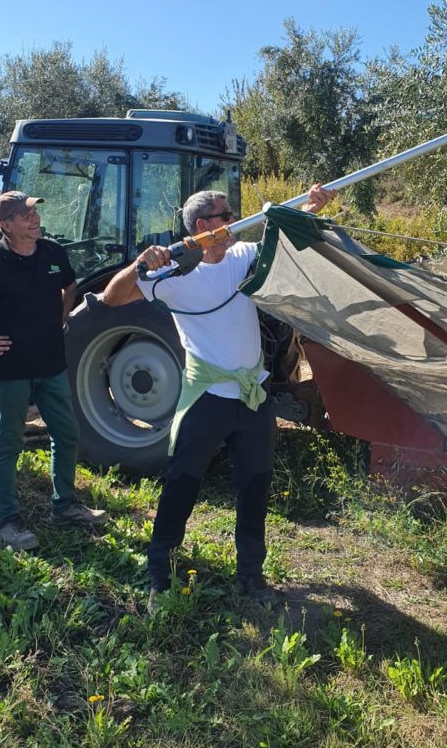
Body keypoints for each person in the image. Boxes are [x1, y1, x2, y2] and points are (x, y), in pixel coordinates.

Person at [102, 184, 336, 610]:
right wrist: (141, 264)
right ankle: (160, 573)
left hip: (252, 395)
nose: (233, 220)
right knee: (182, 483)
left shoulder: (243, 256)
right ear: (201, 226)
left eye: (231, 214)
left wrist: (309, 209)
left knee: (255, 485)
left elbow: (289, 245)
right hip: (207, 396)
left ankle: (251, 576)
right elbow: (111, 297)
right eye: (224, 215)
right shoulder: (172, 275)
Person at [0, 191, 107, 550]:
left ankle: (64, 506)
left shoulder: (53, 252)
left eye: (34, 212)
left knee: (67, 433)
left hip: (52, 365)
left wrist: (60, 317)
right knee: (9, 444)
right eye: (25, 214)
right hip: (12, 370)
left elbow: (69, 282)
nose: (34, 218)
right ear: (6, 225)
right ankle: (6, 521)